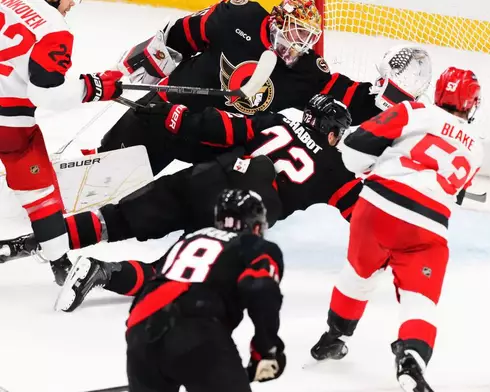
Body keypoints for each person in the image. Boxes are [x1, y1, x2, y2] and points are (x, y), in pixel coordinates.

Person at [52, 94, 364, 312]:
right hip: (236, 216)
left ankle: (38, 240)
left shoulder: (277, 121)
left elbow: (221, 127)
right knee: (171, 274)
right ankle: (103, 272)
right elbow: (364, 213)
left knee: (116, 218)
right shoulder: (336, 169)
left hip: (204, 179)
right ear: (332, 131)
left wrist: (176, 119)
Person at [93, 0, 432, 174]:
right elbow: (181, 33)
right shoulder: (237, 18)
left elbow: (350, 99)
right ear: (277, 22)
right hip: (169, 113)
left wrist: (393, 96)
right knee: (103, 176)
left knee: (215, 196)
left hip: (219, 143)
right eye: (294, 33)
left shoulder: (305, 69)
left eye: (306, 40)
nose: (296, 46)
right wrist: (144, 64)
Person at [309, 67, 484, 392]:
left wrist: (375, 164)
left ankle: (333, 339)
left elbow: (354, 152)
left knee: (358, 274)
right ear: (471, 104)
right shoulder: (477, 148)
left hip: (376, 205)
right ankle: (411, 360)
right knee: (420, 301)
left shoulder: (414, 110)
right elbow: (455, 194)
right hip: (427, 224)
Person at [0, 0, 123, 283]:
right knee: (40, 194)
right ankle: (61, 266)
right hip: (9, 126)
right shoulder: (53, 27)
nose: (72, 4)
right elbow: (46, 93)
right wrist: (94, 87)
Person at [124, 188, 285, 392]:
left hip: (141, 329)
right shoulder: (255, 245)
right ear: (255, 224)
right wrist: (266, 349)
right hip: (197, 331)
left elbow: (155, 283)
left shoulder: (188, 240)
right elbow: (260, 287)